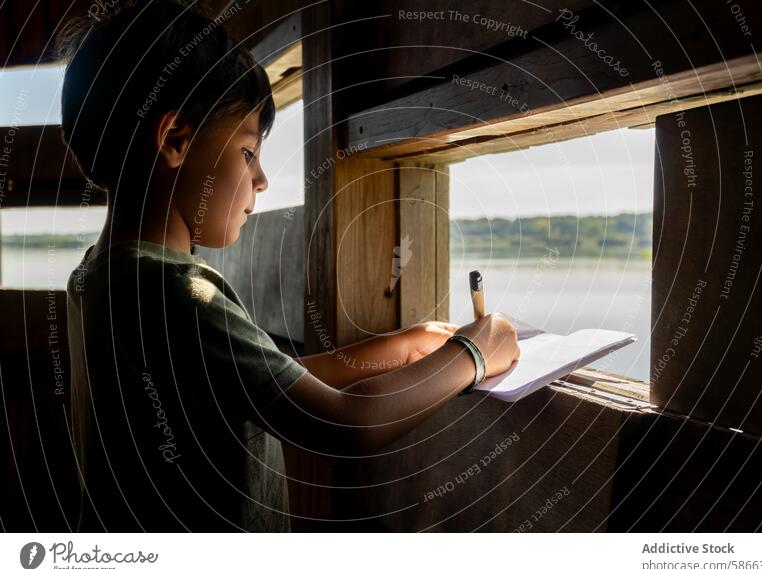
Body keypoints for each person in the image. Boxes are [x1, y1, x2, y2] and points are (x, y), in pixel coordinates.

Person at [59, 0, 519, 532]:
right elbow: (344, 424)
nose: (261, 180)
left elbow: (259, 383)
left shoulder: (97, 276)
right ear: (175, 140)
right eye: (248, 151)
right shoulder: (173, 291)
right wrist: (474, 353)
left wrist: (390, 350)